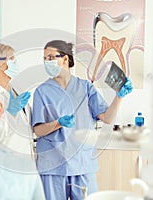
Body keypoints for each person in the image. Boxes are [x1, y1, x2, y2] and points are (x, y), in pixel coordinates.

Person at [31, 40, 133, 200]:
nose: (47, 62)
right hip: (52, 165)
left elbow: (107, 118)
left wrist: (119, 97)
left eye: (51, 57)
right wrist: (58, 123)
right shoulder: (42, 91)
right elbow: (38, 130)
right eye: (45, 58)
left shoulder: (86, 87)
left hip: (82, 162)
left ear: (65, 59)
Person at [0, 43, 34, 159]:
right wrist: (10, 112)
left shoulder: (16, 90)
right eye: (11, 59)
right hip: (3, 159)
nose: (15, 63)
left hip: (24, 157)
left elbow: (26, 125)